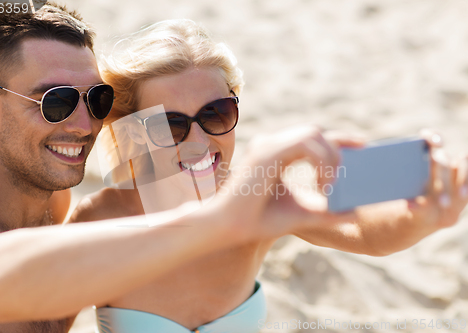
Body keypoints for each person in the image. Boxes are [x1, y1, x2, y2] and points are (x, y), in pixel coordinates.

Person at [0, 5, 350, 332]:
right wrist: (218, 220)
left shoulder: (54, 200)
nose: (85, 126)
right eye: (55, 102)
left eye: (96, 100)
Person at [69, 19, 468, 333]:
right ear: (131, 130)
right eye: (170, 125)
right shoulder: (100, 219)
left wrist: (424, 216)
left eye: (216, 114)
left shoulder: (255, 195)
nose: (199, 140)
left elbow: (366, 235)